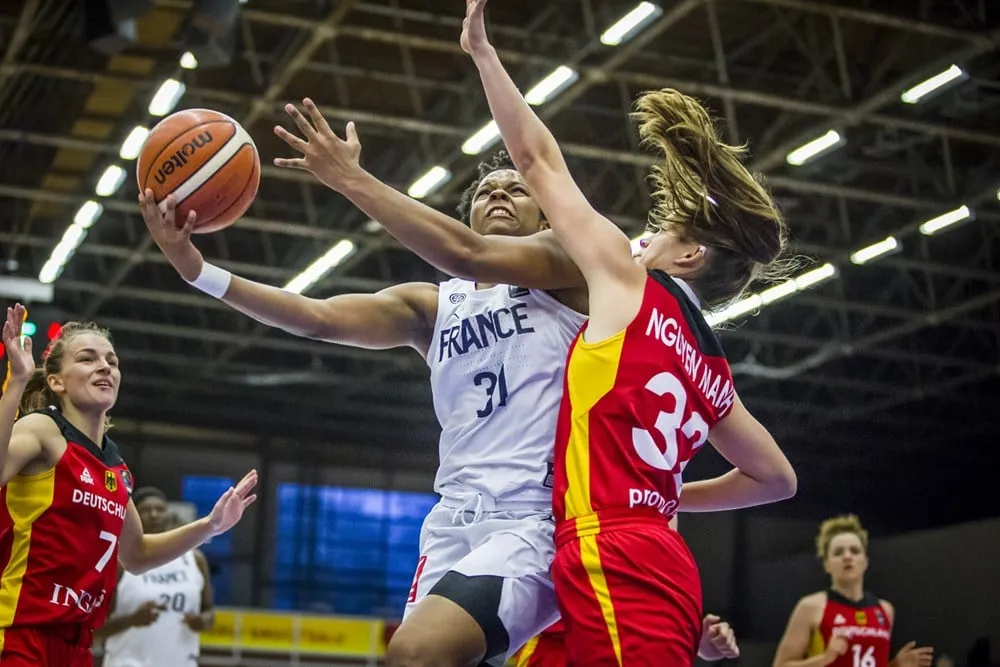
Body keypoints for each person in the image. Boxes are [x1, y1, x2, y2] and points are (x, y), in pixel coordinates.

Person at [457, 0, 798, 664]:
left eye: (655, 235)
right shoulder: (713, 372)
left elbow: (537, 161)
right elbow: (776, 477)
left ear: (689, 257)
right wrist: (670, 496)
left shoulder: (630, 283)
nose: (638, 239)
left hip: (614, 549)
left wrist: (483, 53)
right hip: (654, 552)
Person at [0, 305, 256, 667]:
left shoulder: (116, 468)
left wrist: (210, 526)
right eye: (87, 359)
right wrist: (16, 383)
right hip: (21, 632)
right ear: (56, 381)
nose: (105, 366)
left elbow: (136, 556)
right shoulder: (44, 429)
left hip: (76, 645)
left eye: (112, 361)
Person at [773, 515, 934, 667]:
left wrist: (895, 665)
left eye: (855, 551)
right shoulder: (811, 606)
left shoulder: (885, 610)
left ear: (865, 561)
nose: (847, 557)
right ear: (826, 565)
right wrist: (824, 659)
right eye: (838, 552)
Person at [98, 486, 215, 666]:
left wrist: (202, 622)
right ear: (132, 518)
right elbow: (93, 628)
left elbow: (209, 612)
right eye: (145, 510)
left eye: (160, 509)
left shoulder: (194, 559)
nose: (153, 515)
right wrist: (132, 620)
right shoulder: (119, 561)